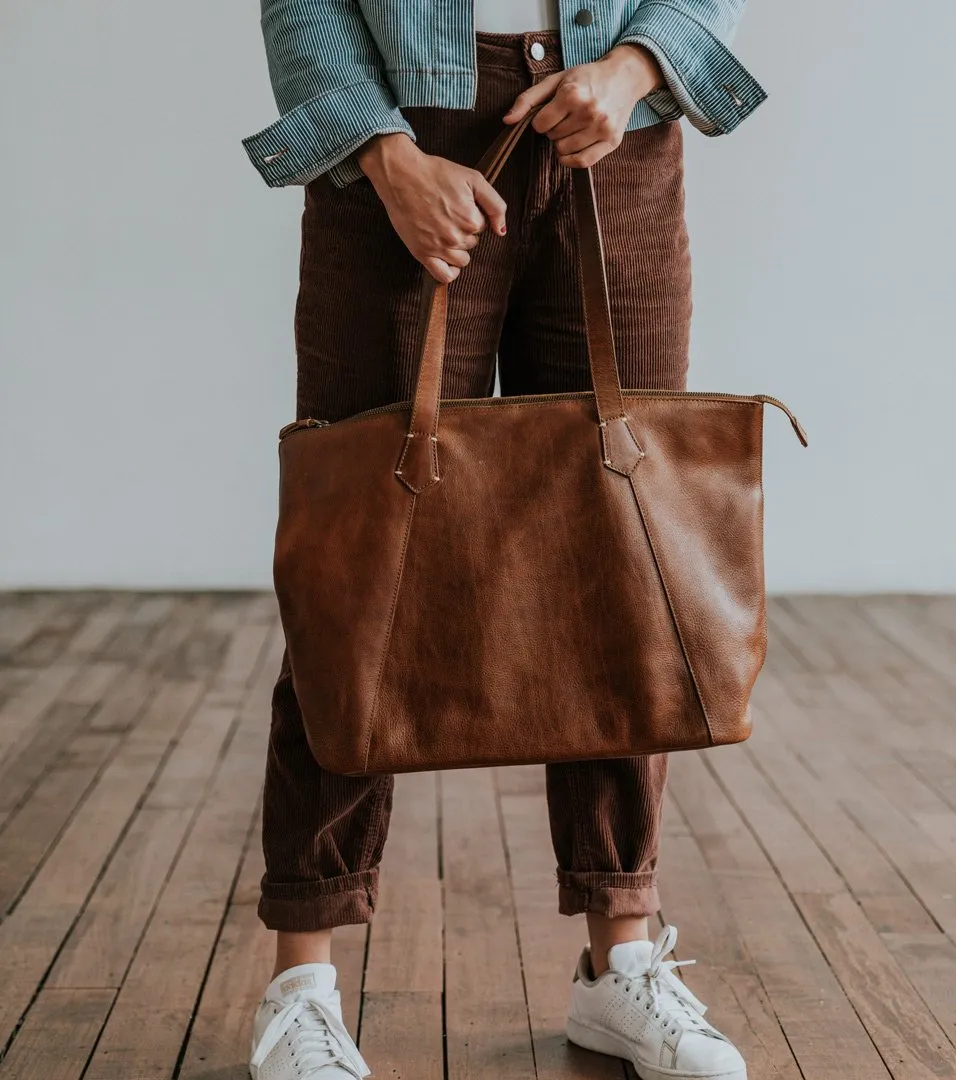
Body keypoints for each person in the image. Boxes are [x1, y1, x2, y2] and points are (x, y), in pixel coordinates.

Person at [242, 2, 765, 1078]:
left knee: (626, 557)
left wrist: (631, 66)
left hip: (610, 130)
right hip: (398, 135)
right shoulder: (387, 154)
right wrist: (383, 155)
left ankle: (621, 963)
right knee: (359, 560)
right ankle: (302, 985)